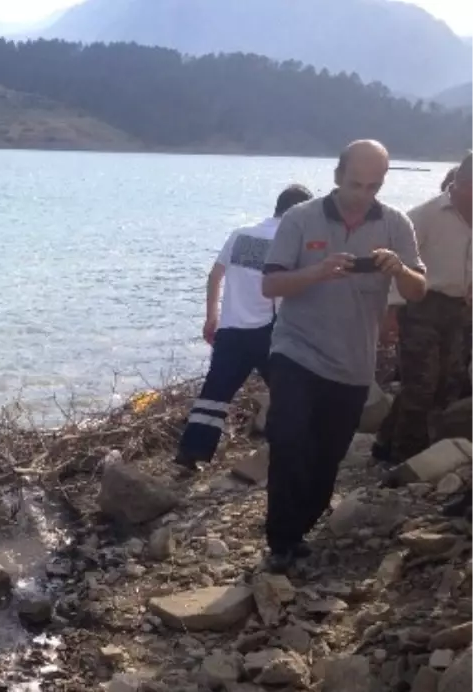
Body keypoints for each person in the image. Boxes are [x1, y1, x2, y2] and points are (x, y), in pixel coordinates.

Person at [260, 140, 426, 573]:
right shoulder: (301, 218)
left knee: (327, 454)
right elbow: (270, 286)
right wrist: (317, 271)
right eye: (356, 184)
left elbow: (418, 290)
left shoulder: (396, 223)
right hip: (296, 350)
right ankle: (280, 540)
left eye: (374, 186)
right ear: (337, 176)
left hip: (353, 363)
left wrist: (399, 271)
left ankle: (300, 528)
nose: (363, 194)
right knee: (289, 438)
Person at [173, 184, 314, 470]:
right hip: (270, 331)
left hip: (231, 329)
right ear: (298, 213)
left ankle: (190, 454)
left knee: (214, 394)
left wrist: (211, 317)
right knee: (290, 390)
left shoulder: (241, 234)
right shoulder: (290, 241)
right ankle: (295, 447)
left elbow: (215, 276)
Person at [373, 153, 473, 464]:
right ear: (460, 185)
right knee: (421, 384)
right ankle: (405, 459)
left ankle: (385, 440)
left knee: (447, 382)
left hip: (461, 308)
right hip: (422, 305)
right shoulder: (425, 216)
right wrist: (390, 312)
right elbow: (396, 265)